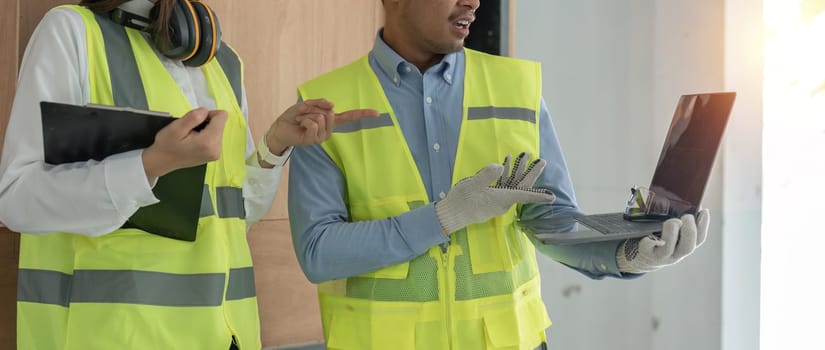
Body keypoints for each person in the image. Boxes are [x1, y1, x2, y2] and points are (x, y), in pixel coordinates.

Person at [287, 0, 710, 349]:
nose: (472, 2)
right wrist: (442, 218)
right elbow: (320, 253)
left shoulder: (515, 89)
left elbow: (553, 221)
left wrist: (627, 254)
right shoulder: (327, 107)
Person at [0, 0, 376, 349]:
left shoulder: (222, 62)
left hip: (229, 334)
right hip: (117, 336)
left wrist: (273, 147)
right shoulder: (72, 33)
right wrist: (152, 164)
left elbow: (233, 215)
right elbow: (16, 200)